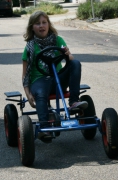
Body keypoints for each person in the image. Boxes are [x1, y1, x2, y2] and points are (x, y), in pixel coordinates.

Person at [22, 11, 88, 143]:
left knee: (75, 63)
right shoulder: (29, 47)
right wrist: (28, 94)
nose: (41, 26)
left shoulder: (58, 40)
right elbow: (25, 74)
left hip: (58, 80)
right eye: (37, 23)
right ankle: (44, 127)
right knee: (41, 91)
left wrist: (68, 54)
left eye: (44, 22)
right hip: (39, 81)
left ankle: (74, 102)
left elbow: (70, 59)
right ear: (32, 27)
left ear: (48, 24)